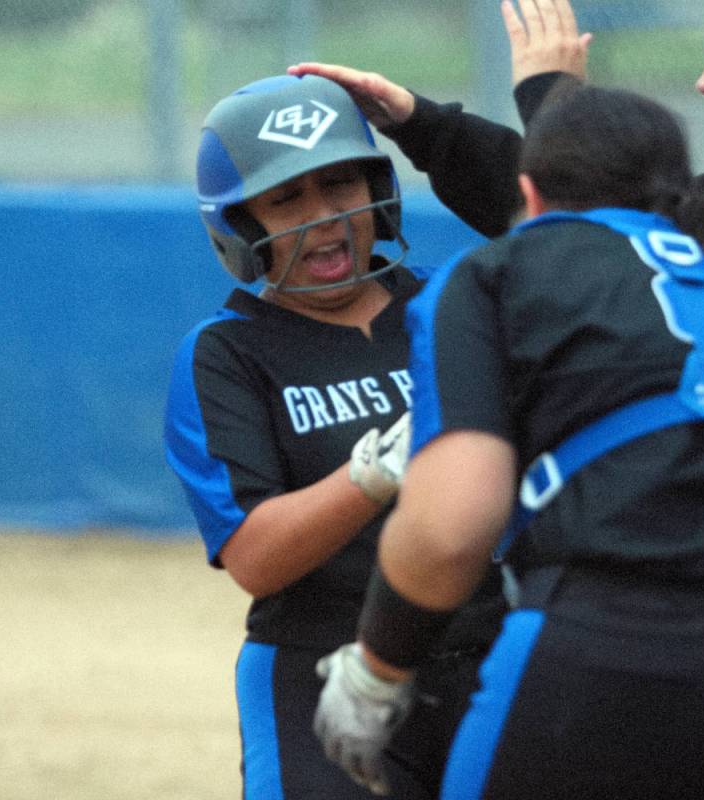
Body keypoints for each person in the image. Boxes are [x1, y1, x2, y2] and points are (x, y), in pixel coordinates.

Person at [290, 1, 704, 795]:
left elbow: (451, 525)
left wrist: (375, 672)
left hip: (605, 642)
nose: (703, 78)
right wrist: (437, 128)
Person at [163, 74, 504, 800]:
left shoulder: (448, 306)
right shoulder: (228, 353)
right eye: (287, 198)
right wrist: (379, 469)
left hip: (487, 656)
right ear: (240, 225)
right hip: (319, 666)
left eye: (341, 184)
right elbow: (255, 555)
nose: (323, 217)